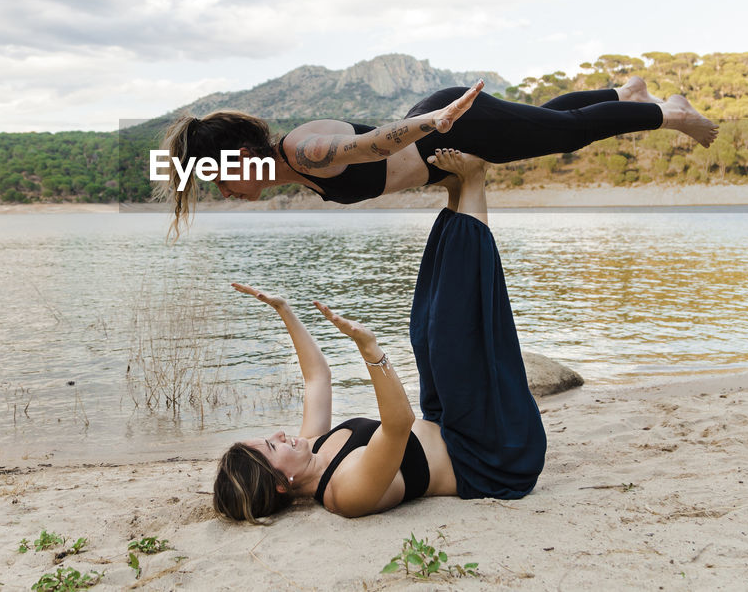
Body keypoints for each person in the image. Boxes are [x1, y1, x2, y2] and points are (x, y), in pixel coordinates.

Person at [213, 149, 547, 521]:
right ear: (281, 483)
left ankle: (457, 189)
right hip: (491, 455)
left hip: (449, 421)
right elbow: (398, 425)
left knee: (426, 329)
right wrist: (370, 350)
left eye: (268, 438)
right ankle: (474, 178)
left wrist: (284, 310)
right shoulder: (346, 493)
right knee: (454, 331)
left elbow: (316, 378)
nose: (278, 434)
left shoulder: (311, 446)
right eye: (272, 448)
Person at [160, 76, 716, 238]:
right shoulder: (295, 169)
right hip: (446, 137)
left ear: (237, 159)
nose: (222, 192)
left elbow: (365, 147)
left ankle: (669, 112)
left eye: (215, 179)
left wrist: (433, 122)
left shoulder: (303, 149)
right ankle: (626, 95)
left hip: (451, 125)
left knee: (564, 132)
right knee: (549, 122)